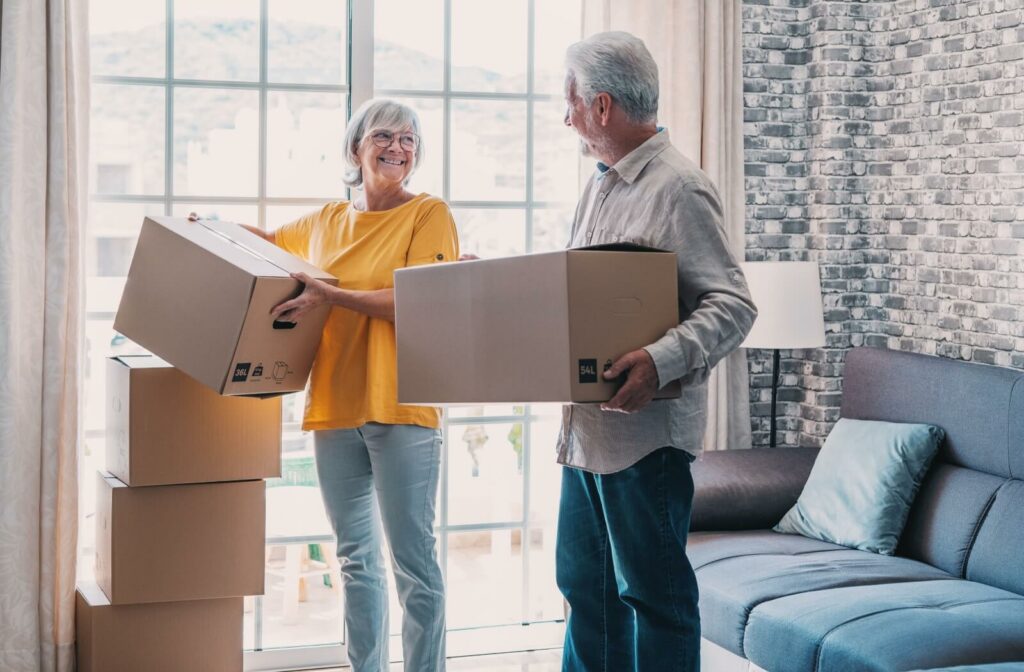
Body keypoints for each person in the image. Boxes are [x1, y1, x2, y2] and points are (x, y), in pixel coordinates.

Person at [199, 99, 457, 672]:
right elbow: (265, 242)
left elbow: (418, 302)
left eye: (410, 139)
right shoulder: (324, 221)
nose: (399, 147)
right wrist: (208, 228)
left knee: (414, 563)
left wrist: (332, 295)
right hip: (335, 408)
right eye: (385, 136)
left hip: (402, 407)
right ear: (355, 148)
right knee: (355, 559)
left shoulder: (428, 214)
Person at [556, 32, 757, 672]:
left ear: (603, 106)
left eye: (571, 102)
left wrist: (660, 359)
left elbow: (733, 305)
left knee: (654, 599)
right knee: (585, 592)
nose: (566, 117)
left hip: (646, 443)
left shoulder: (679, 188)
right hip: (585, 435)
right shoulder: (600, 186)